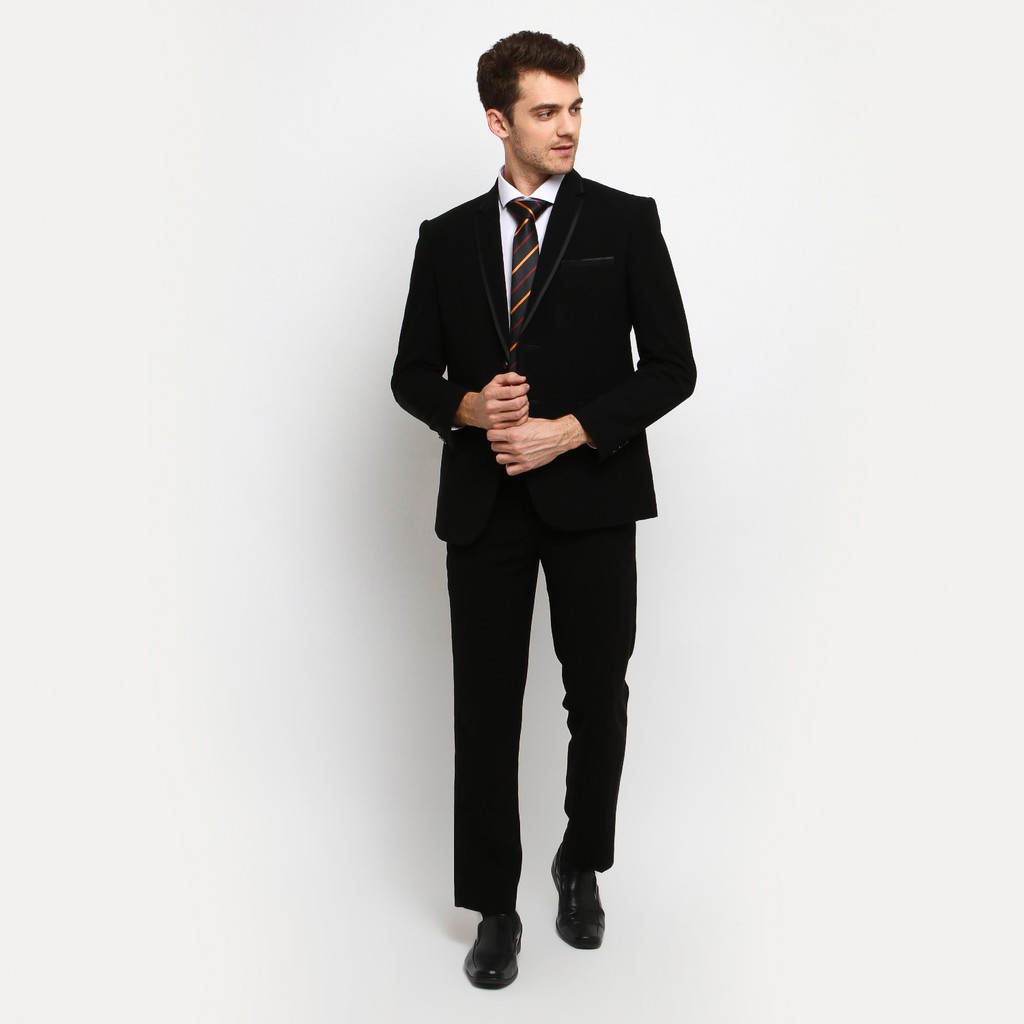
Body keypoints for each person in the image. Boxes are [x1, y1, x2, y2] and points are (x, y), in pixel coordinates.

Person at [391, 30, 696, 988]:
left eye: (575, 108)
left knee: (597, 697)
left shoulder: (626, 222)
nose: (568, 127)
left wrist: (569, 432)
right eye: (545, 111)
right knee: (485, 708)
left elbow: (673, 368)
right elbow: (410, 375)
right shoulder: (445, 238)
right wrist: (470, 407)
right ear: (499, 120)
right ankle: (494, 906)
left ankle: (580, 864)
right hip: (485, 506)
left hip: (593, 498)